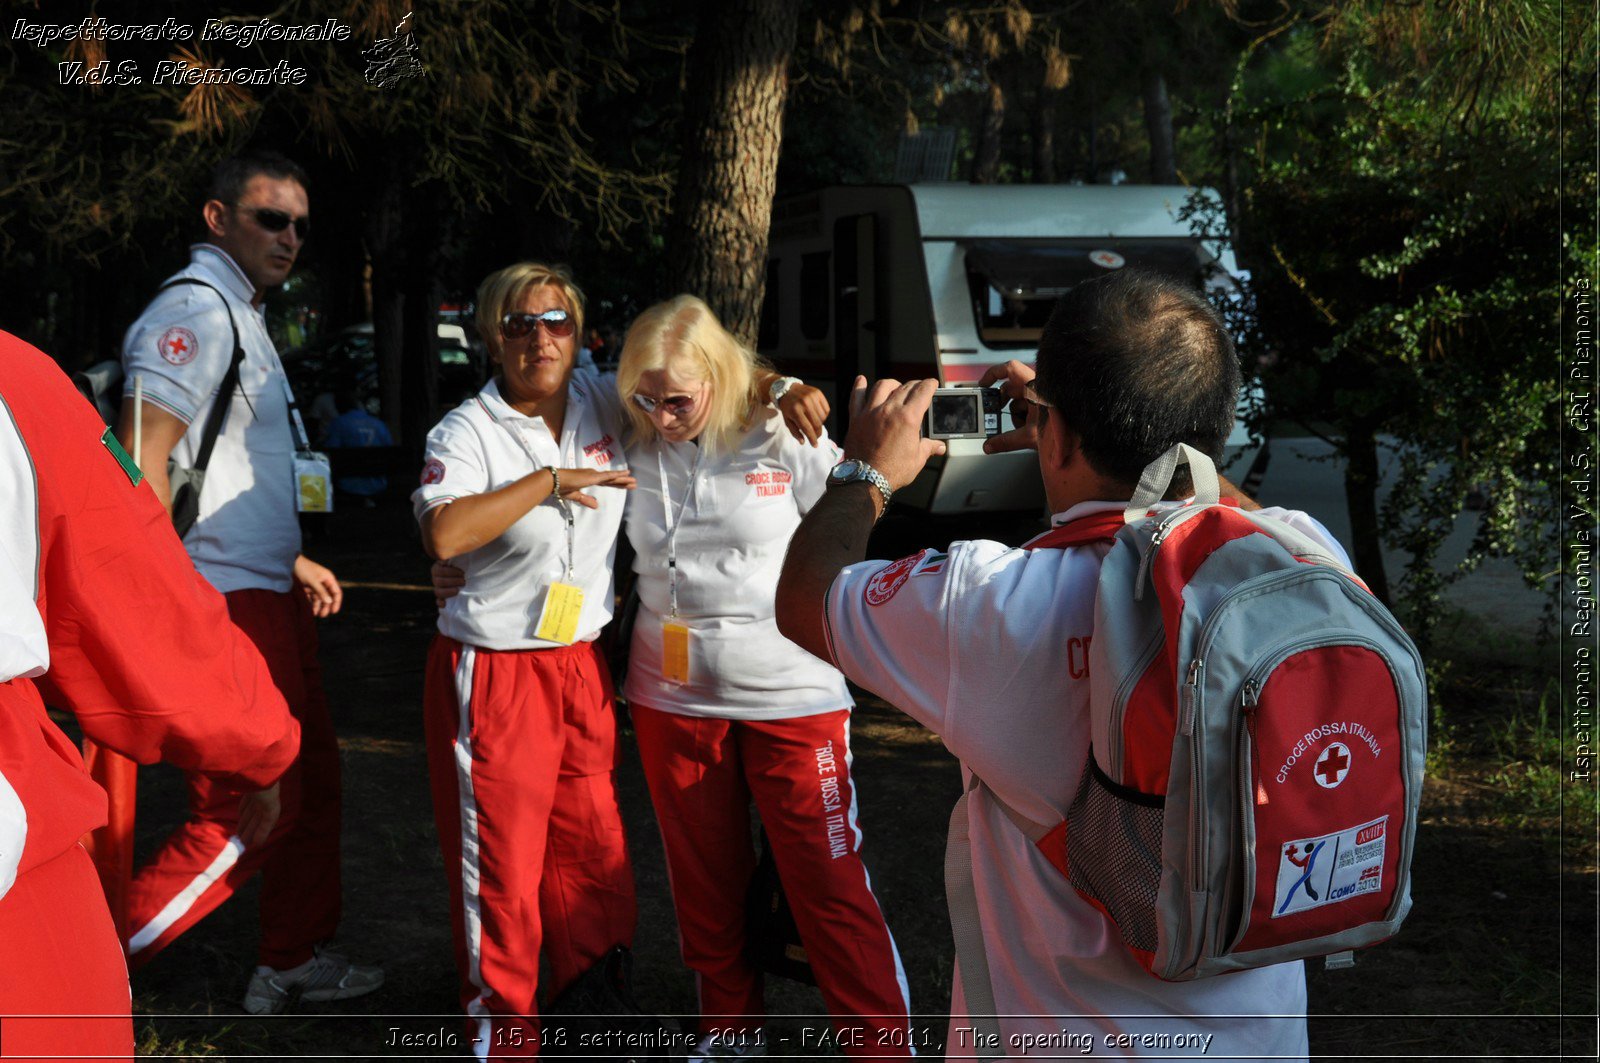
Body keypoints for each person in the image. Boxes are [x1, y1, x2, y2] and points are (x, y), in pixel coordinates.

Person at [775, 269, 1341, 1059]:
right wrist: (1090, 423)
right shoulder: (1304, 554)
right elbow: (1220, 505)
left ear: (1060, 433)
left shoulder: (985, 601)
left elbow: (806, 598)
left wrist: (866, 472)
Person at [414, 265, 826, 1056]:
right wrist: (549, 482)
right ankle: (503, 1035)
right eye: (519, 323)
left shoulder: (606, 394)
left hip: (581, 660)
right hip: (496, 667)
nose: (540, 337)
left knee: (593, 851)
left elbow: (704, 369)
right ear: (492, 335)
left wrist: (783, 382)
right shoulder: (467, 429)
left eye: (557, 320)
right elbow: (444, 534)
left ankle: (593, 1014)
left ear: (580, 332)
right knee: (501, 865)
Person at [115, 150, 382, 1013]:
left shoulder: (246, 313)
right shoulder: (194, 309)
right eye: (271, 218)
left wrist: (288, 554)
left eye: (301, 223)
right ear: (217, 218)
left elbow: (220, 464)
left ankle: (292, 957)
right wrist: (166, 606)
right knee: (248, 803)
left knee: (313, 784)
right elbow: (143, 464)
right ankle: (87, 958)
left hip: (264, 587)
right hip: (219, 600)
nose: (291, 237)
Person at [615, 296, 912, 1061]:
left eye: (678, 398)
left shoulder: (783, 425)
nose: (661, 413)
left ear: (717, 376)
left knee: (827, 881)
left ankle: (881, 1048)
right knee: (705, 884)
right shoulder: (632, 431)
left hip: (793, 693)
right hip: (671, 695)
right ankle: (732, 1035)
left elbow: (848, 523)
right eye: (644, 398)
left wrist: (777, 387)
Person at [0, 333, 300, 1059]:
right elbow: (132, 591)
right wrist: (265, 744)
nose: (287, 238)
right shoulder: (16, 377)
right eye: (269, 216)